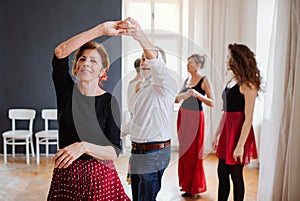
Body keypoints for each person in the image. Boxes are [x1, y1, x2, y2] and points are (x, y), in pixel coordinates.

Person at [47, 21, 130, 200]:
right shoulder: (66, 92)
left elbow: (114, 151)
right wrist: (100, 30)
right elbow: (60, 53)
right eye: (82, 59)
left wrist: (83, 146)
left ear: (102, 71)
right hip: (66, 176)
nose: (86, 64)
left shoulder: (109, 101)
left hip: (100, 177)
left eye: (93, 61)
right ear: (76, 66)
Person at [120, 17, 178, 201]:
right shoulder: (143, 88)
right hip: (138, 152)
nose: (143, 62)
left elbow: (157, 65)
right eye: (142, 59)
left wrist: (140, 36)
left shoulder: (166, 84)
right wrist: (116, 132)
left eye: (147, 58)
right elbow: (136, 122)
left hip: (153, 154)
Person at [212, 43, 261, 201]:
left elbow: (248, 119)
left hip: (239, 133)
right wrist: (216, 134)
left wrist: (240, 145)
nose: (226, 60)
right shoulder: (231, 81)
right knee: (222, 174)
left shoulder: (248, 85)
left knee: (236, 176)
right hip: (227, 131)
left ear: (237, 60)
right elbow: (225, 112)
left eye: (229, 58)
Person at [175, 54, 214, 198]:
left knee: (194, 152)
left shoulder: (204, 80)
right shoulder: (186, 80)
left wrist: (197, 94)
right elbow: (176, 99)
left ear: (198, 65)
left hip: (195, 118)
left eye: (190, 63)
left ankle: (195, 187)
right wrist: (182, 96)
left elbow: (212, 102)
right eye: (187, 62)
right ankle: (186, 185)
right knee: (184, 152)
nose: (187, 65)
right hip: (183, 116)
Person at [126, 58, 142, 184]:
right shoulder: (141, 83)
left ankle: (132, 175)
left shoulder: (131, 82)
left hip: (132, 116)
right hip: (139, 118)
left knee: (135, 148)